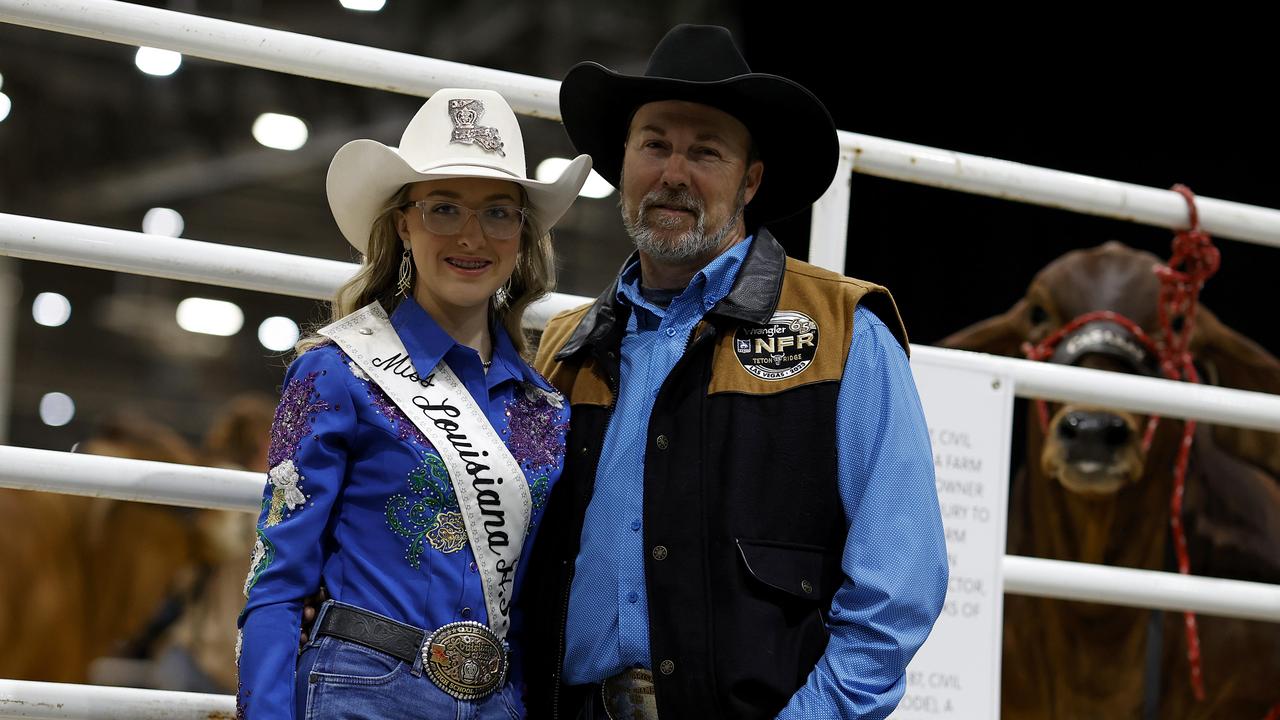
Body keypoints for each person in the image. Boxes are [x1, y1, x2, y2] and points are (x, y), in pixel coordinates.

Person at [525, 25, 948, 719]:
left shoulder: (846, 331)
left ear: (750, 180)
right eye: (654, 144)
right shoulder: (564, 350)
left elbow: (898, 589)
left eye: (706, 152)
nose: (673, 173)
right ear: (622, 162)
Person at [236, 88, 589, 719]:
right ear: (403, 224)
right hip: (359, 694)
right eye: (444, 209)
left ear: (521, 233)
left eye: (498, 213)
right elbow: (277, 581)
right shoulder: (336, 372)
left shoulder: (545, 410)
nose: (472, 236)